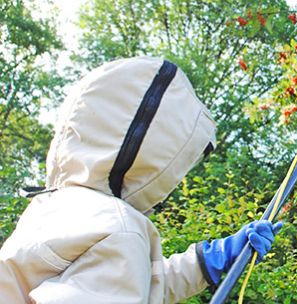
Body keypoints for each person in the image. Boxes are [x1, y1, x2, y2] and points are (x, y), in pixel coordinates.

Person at [0, 57, 282, 303]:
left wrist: (207, 261)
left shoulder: (58, 206)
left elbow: (131, 285)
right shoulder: (120, 228)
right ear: (157, 159)